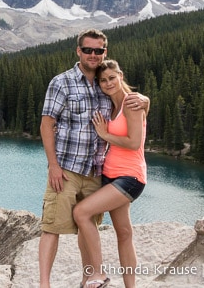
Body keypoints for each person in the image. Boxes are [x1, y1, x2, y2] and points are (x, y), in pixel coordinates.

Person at [38, 30, 148, 288]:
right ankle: (45, 284)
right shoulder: (62, 82)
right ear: (78, 51)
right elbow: (46, 124)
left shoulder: (115, 95)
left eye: (98, 51)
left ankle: (92, 277)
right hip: (67, 169)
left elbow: (133, 136)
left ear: (105, 53)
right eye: (88, 50)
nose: (92, 55)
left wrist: (144, 101)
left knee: (84, 219)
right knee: (54, 226)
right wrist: (53, 165)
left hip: (101, 174)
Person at [73, 60, 148, 288]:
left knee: (81, 213)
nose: (108, 83)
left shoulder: (131, 103)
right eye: (103, 80)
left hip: (130, 178)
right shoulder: (111, 104)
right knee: (124, 234)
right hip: (111, 176)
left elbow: (134, 143)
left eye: (112, 78)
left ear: (121, 76)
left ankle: (98, 274)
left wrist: (105, 135)